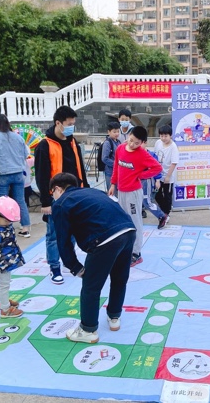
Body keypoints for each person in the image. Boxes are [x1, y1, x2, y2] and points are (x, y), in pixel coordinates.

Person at [51, 173, 136, 344]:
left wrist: (75, 267)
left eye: (52, 192)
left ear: (58, 189)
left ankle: (88, 329)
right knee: (119, 279)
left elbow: (63, 240)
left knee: (91, 287)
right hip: (128, 231)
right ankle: (114, 317)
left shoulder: (61, 203)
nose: (52, 196)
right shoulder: (93, 192)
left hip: (104, 239)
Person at [34, 106, 89, 284]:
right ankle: (54, 266)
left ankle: (68, 261)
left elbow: (80, 168)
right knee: (54, 234)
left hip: (75, 195)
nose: (72, 127)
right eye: (69, 124)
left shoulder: (72, 142)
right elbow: (41, 176)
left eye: (73, 123)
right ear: (58, 123)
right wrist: (45, 201)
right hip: (55, 197)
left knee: (72, 232)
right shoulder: (45, 145)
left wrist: (85, 189)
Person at [109, 125, 162, 267]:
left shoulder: (142, 154)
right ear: (128, 135)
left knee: (135, 221)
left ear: (142, 143)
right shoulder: (120, 148)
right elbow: (116, 166)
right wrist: (113, 184)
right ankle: (126, 248)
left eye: (136, 143)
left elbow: (157, 168)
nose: (132, 144)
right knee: (123, 220)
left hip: (133, 193)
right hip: (121, 191)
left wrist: (141, 175)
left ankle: (136, 253)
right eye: (131, 140)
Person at [0, 114, 32, 237]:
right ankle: (25, 227)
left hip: (2, 174)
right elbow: (26, 154)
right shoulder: (18, 137)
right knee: (20, 200)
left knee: (2, 202)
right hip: (18, 173)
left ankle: (4, 227)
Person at [154, 124, 179, 229]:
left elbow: (174, 163)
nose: (163, 138)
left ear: (171, 136)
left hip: (168, 176)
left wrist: (168, 176)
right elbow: (155, 157)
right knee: (157, 195)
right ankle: (163, 212)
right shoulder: (158, 143)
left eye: (166, 136)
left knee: (167, 196)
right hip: (158, 175)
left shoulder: (173, 147)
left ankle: (166, 214)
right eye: (161, 136)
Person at [102, 121, 122, 192]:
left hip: (118, 171)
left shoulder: (118, 142)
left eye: (118, 131)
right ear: (109, 132)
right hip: (110, 172)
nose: (117, 134)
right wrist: (116, 164)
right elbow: (104, 158)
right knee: (112, 192)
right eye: (114, 132)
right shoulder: (107, 143)